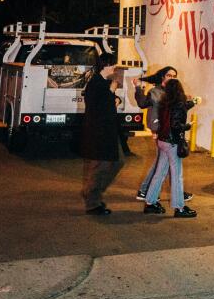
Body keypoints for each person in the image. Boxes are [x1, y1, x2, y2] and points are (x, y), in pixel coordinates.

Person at [133, 66, 192, 203]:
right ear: (162, 77)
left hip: (166, 133)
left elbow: (176, 110)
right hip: (162, 132)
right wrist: (137, 88)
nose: (172, 78)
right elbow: (142, 104)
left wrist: (188, 102)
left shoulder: (172, 93)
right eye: (169, 75)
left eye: (174, 76)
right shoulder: (155, 92)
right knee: (167, 167)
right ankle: (148, 191)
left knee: (161, 166)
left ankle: (147, 193)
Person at [143, 78, 198, 218]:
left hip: (162, 141)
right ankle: (179, 208)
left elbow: (182, 108)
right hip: (172, 143)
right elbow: (176, 123)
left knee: (159, 173)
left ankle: (150, 203)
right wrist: (188, 126)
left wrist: (194, 102)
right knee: (177, 176)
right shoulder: (178, 104)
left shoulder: (164, 102)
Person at [79, 53, 126, 215]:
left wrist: (116, 98)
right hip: (98, 132)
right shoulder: (95, 83)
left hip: (108, 131)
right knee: (100, 166)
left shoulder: (103, 83)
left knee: (118, 161)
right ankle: (92, 201)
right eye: (113, 65)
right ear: (106, 66)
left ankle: (93, 191)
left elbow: (110, 101)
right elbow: (98, 106)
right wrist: (112, 89)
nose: (115, 68)